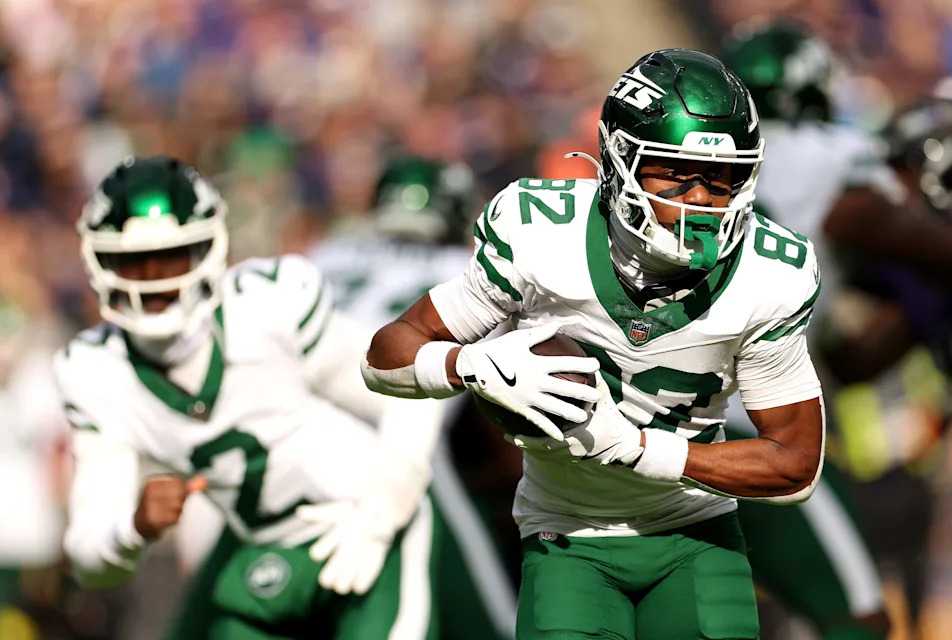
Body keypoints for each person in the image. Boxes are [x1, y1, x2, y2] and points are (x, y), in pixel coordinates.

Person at [363, 48, 825, 640]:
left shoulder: (769, 274)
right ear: (616, 161)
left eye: (721, 177)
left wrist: (637, 449)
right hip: (567, 535)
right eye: (675, 173)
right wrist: (473, 364)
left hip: (694, 533)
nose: (702, 198)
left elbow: (793, 464)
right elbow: (386, 354)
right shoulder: (539, 235)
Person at [56, 155, 446, 639]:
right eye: (134, 262)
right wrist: (132, 527)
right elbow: (89, 554)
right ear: (101, 261)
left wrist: (382, 511)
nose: (154, 279)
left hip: (367, 528)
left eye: (171, 257)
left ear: (208, 250)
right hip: (265, 553)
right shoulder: (97, 372)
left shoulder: (264, 305)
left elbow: (406, 389)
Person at [722, 20, 894, 639]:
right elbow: (919, 238)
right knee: (860, 619)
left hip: (643, 427)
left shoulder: (686, 162)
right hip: (743, 428)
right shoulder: (826, 157)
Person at [309, 155, 519, 640]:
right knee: (487, 615)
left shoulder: (325, 256)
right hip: (402, 446)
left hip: (299, 436)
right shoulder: (468, 270)